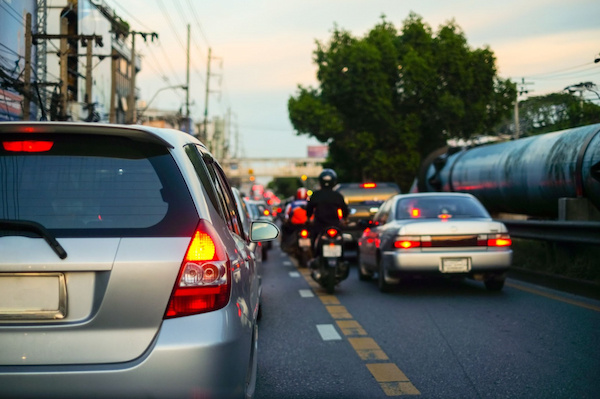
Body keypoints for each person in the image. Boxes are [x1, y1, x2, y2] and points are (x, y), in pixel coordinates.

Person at [305, 169, 349, 250]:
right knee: (341, 241)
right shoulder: (337, 195)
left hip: (319, 226)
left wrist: (308, 219)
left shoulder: (316, 195)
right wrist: (345, 219)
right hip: (335, 225)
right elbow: (345, 209)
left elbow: (309, 208)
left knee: (314, 242)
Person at [280, 187, 309, 253]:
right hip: (307, 225)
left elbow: (286, 216)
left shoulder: (292, 204)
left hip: (294, 226)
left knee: (284, 228)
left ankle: (286, 245)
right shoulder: (310, 204)